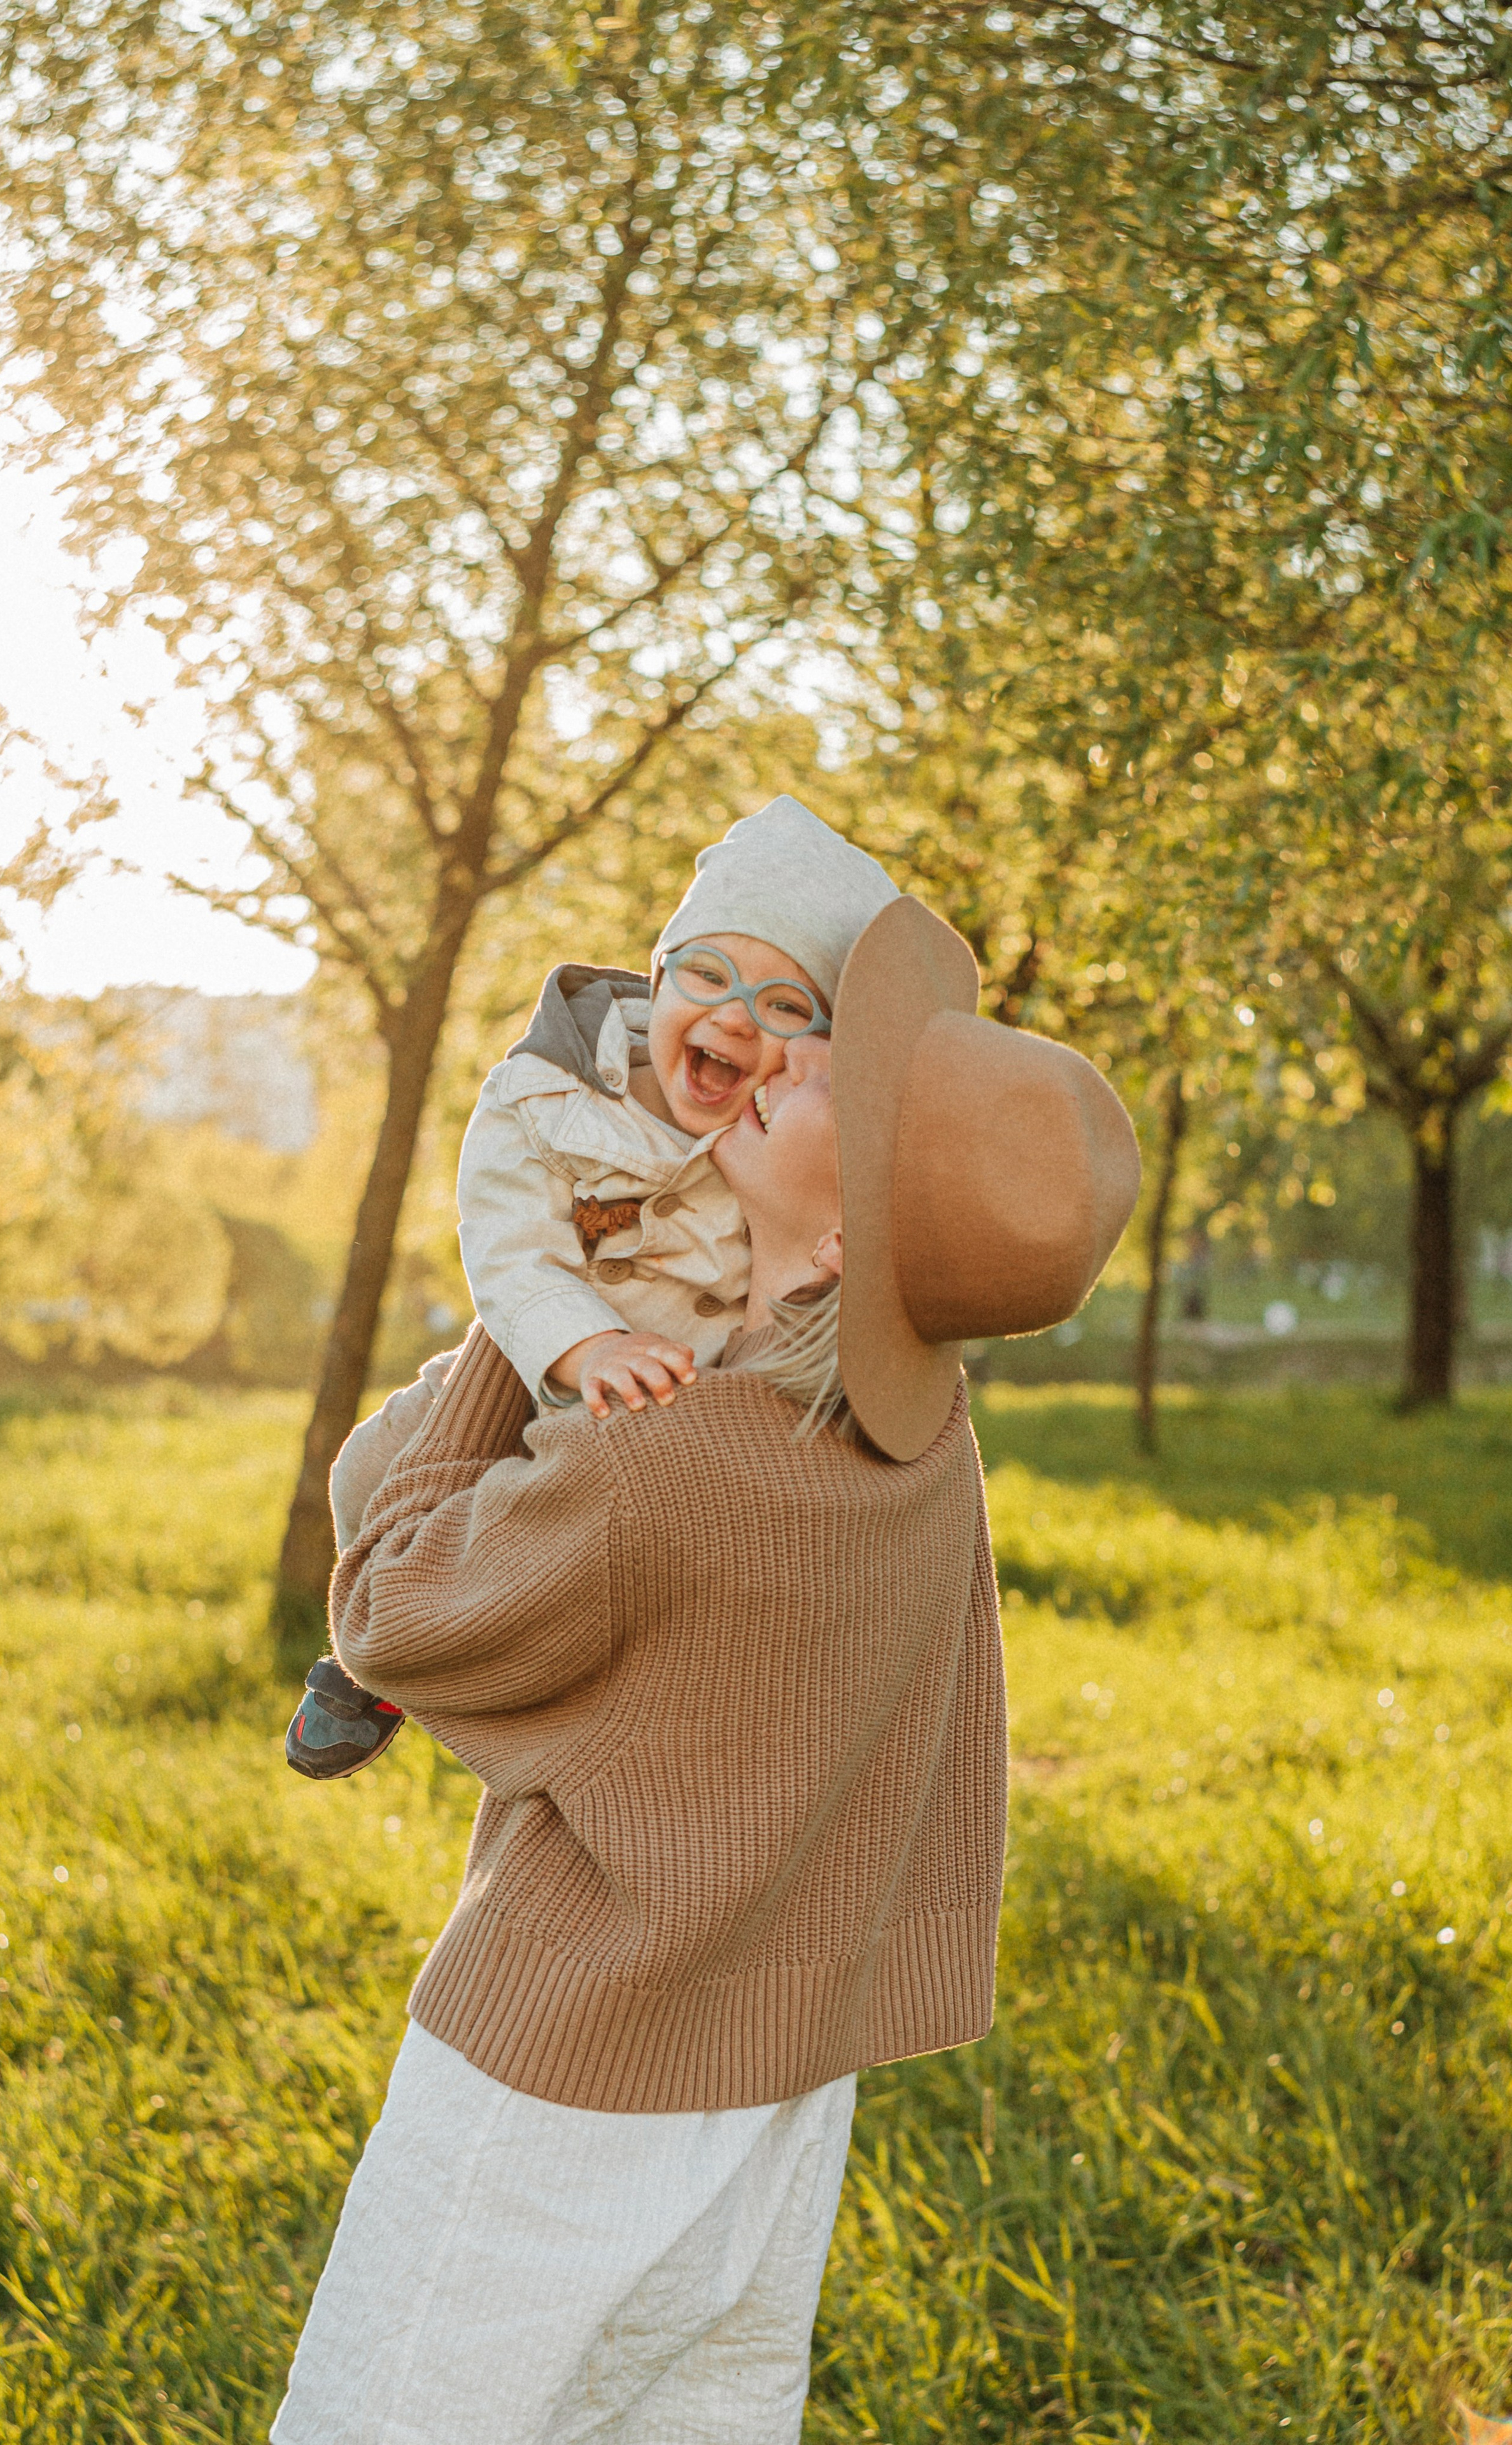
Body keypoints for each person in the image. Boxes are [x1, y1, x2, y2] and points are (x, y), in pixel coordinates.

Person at [269, 895, 1140, 2445]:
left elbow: (391, 1612)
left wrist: (538, 1306)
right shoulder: (919, 1449)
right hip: (780, 2077)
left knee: (391, 2412)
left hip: (567, 2057)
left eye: (841, 1088)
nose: (789, 1061)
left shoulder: (656, 1471)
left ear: (845, 1237)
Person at [286, 791, 898, 1778]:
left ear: (819, 1048)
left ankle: (504, 1689)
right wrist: (583, 1342)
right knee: (367, 1472)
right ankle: (376, 1669)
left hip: (670, 1412)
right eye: (710, 975)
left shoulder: (783, 1138)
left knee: (566, 1575)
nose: (736, 1022)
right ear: (657, 977)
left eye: (784, 1008)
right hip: (541, 1356)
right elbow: (509, 1244)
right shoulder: (550, 1096)